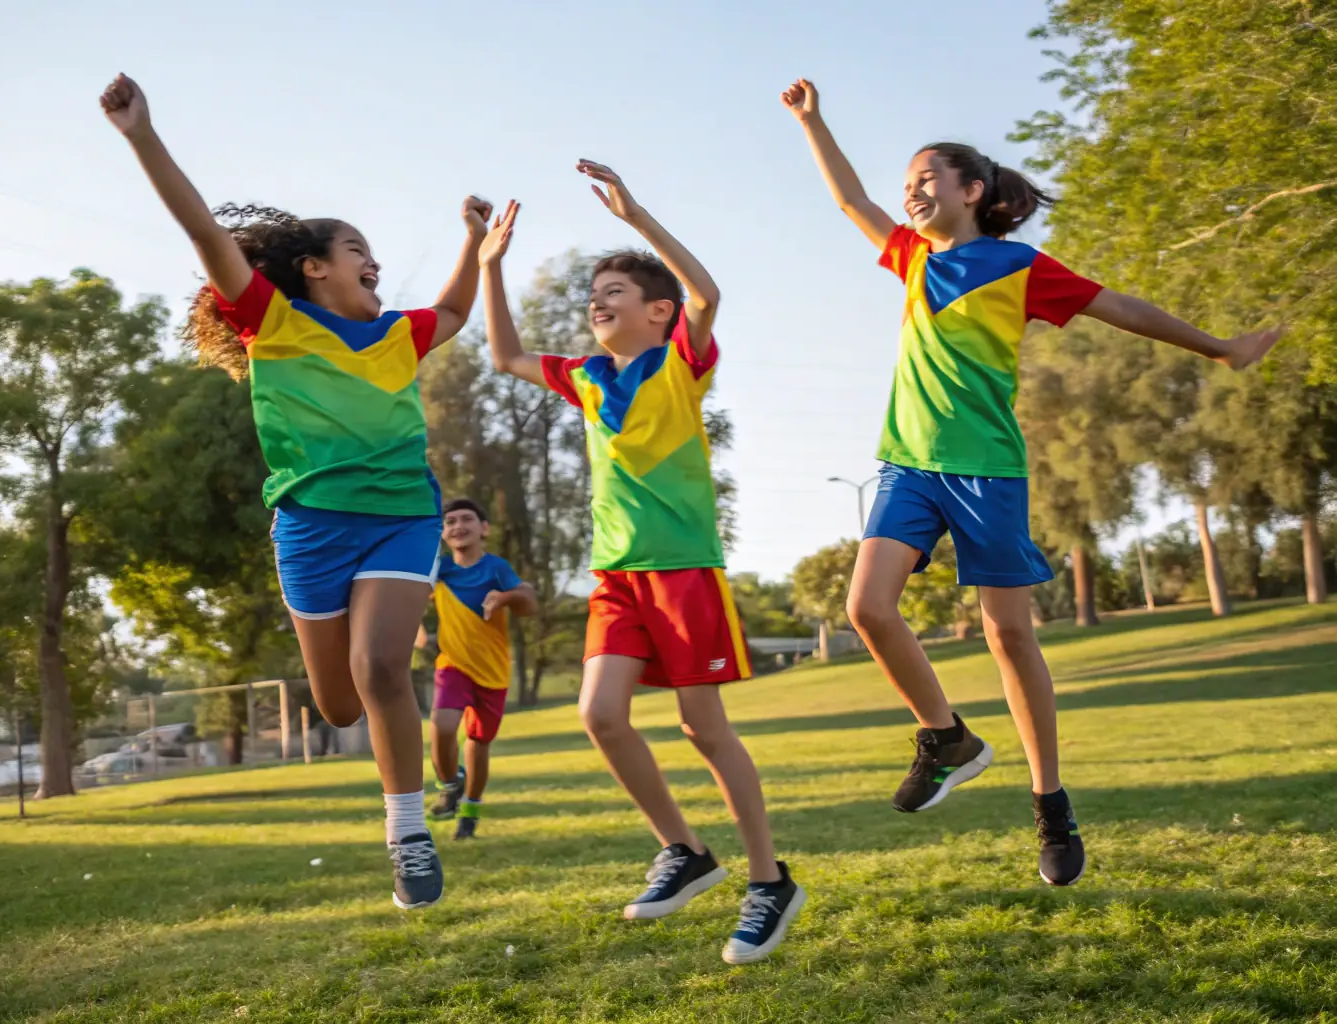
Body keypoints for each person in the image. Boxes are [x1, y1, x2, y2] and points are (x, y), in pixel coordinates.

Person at [781, 78, 1282, 886]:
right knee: (866, 607)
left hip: (988, 470)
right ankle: (946, 739)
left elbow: (1123, 307)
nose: (909, 194)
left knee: (1009, 636)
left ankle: (1051, 805)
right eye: (906, 183)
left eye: (926, 181)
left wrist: (1218, 347)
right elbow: (849, 200)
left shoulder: (1017, 265)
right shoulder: (909, 258)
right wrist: (813, 121)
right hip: (906, 463)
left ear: (970, 191)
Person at [102, 73, 501, 911]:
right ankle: (385, 772)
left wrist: (473, 243)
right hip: (310, 530)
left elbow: (457, 310)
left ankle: (407, 832)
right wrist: (141, 136)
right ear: (313, 267)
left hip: (400, 515)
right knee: (339, 704)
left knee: (381, 667)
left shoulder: (398, 335)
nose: (375, 263)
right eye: (359, 251)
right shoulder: (268, 319)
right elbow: (202, 228)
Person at [478, 174, 806, 966]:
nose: (596, 303)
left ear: (655, 312)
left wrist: (634, 218)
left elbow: (705, 291)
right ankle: (685, 851)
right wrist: (490, 263)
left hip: (684, 569)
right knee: (600, 716)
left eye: (613, 291)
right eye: (593, 293)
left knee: (702, 728)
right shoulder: (587, 378)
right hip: (617, 576)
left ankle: (769, 882)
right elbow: (505, 354)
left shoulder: (681, 360)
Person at [423, 498, 537, 839]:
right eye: (451, 521)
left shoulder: (497, 568)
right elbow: (408, 595)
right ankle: (449, 784)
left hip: (493, 671)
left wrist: (502, 598)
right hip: (453, 664)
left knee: (478, 742)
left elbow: (527, 603)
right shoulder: (439, 569)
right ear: (443, 533)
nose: (458, 526)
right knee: (442, 725)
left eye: (467, 519)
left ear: (483, 528)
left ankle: (470, 810)